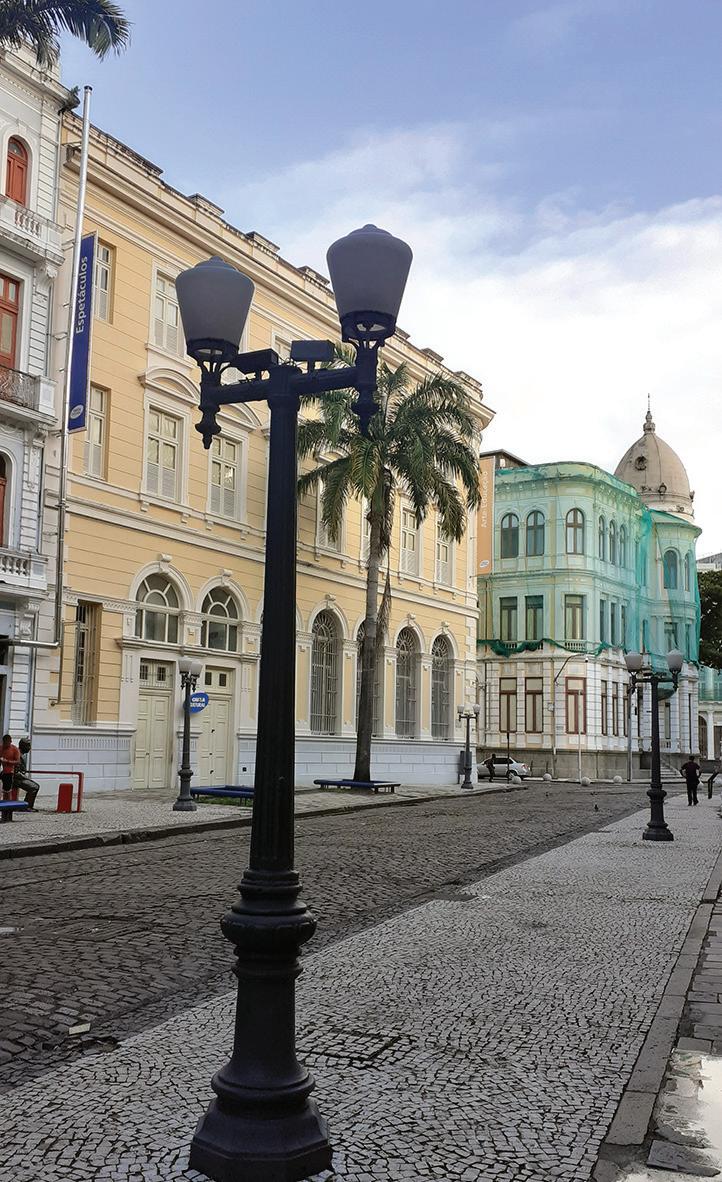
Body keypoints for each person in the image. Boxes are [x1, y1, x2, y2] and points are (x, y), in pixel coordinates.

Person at [15, 737, 39, 808]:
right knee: (34, 787)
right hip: (14, 778)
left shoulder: (22, 754)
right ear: (23, 746)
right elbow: (16, 772)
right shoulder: (17, 754)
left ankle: (27, 805)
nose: (29, 748)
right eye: (28, 746)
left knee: (34, 786)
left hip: (18, 777)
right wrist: (26, 778)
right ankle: (27, 806)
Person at [0, 733, 20, 799]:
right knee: (3, 791)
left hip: (9, 772)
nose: (6, 744)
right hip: (2, 771)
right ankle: (3, 803)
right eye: (5, 743)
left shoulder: (14, 749)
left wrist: (7, 761)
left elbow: (18, 761)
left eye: (8, 742)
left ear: (10, 741)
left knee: (7, 791)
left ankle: (8, 804)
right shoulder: (1, 748)